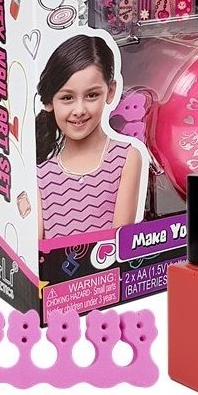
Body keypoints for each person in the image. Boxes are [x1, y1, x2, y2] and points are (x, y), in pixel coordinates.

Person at [35, 34, 142, 241]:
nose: (79, 110)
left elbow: (120, 242)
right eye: (67, 98)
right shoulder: (40, 171)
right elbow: (36, 246)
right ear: (49, 101)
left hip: (108, 262)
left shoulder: (126, 158)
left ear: (110, 91)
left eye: (92, 95)